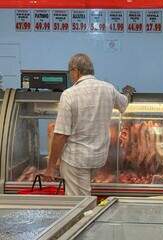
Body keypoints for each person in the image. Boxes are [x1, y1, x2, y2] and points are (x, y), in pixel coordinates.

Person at [44, 53, 135, 196]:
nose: (71, 76)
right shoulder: (108, 89)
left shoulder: (69, 94)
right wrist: (128, 92)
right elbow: (124, 103)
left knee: (78, 205)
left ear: (75, 70)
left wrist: (50, 167)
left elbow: (60, 134)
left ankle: (86, 217)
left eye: (70, 73)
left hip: (76, 160)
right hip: (97, 158)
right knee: (84, 196)